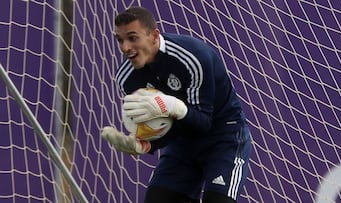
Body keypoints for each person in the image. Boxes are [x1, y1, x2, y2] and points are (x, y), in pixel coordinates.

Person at [101, 6, 252, 203]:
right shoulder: (126, 79)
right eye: (120, 40)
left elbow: (203, 123)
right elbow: (168, 128)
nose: (125, 47)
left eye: (132, 38)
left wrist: (173, 106)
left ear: (154, 36)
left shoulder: (194, 57)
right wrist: (145, 144)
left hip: (224, 137)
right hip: (182, 143)